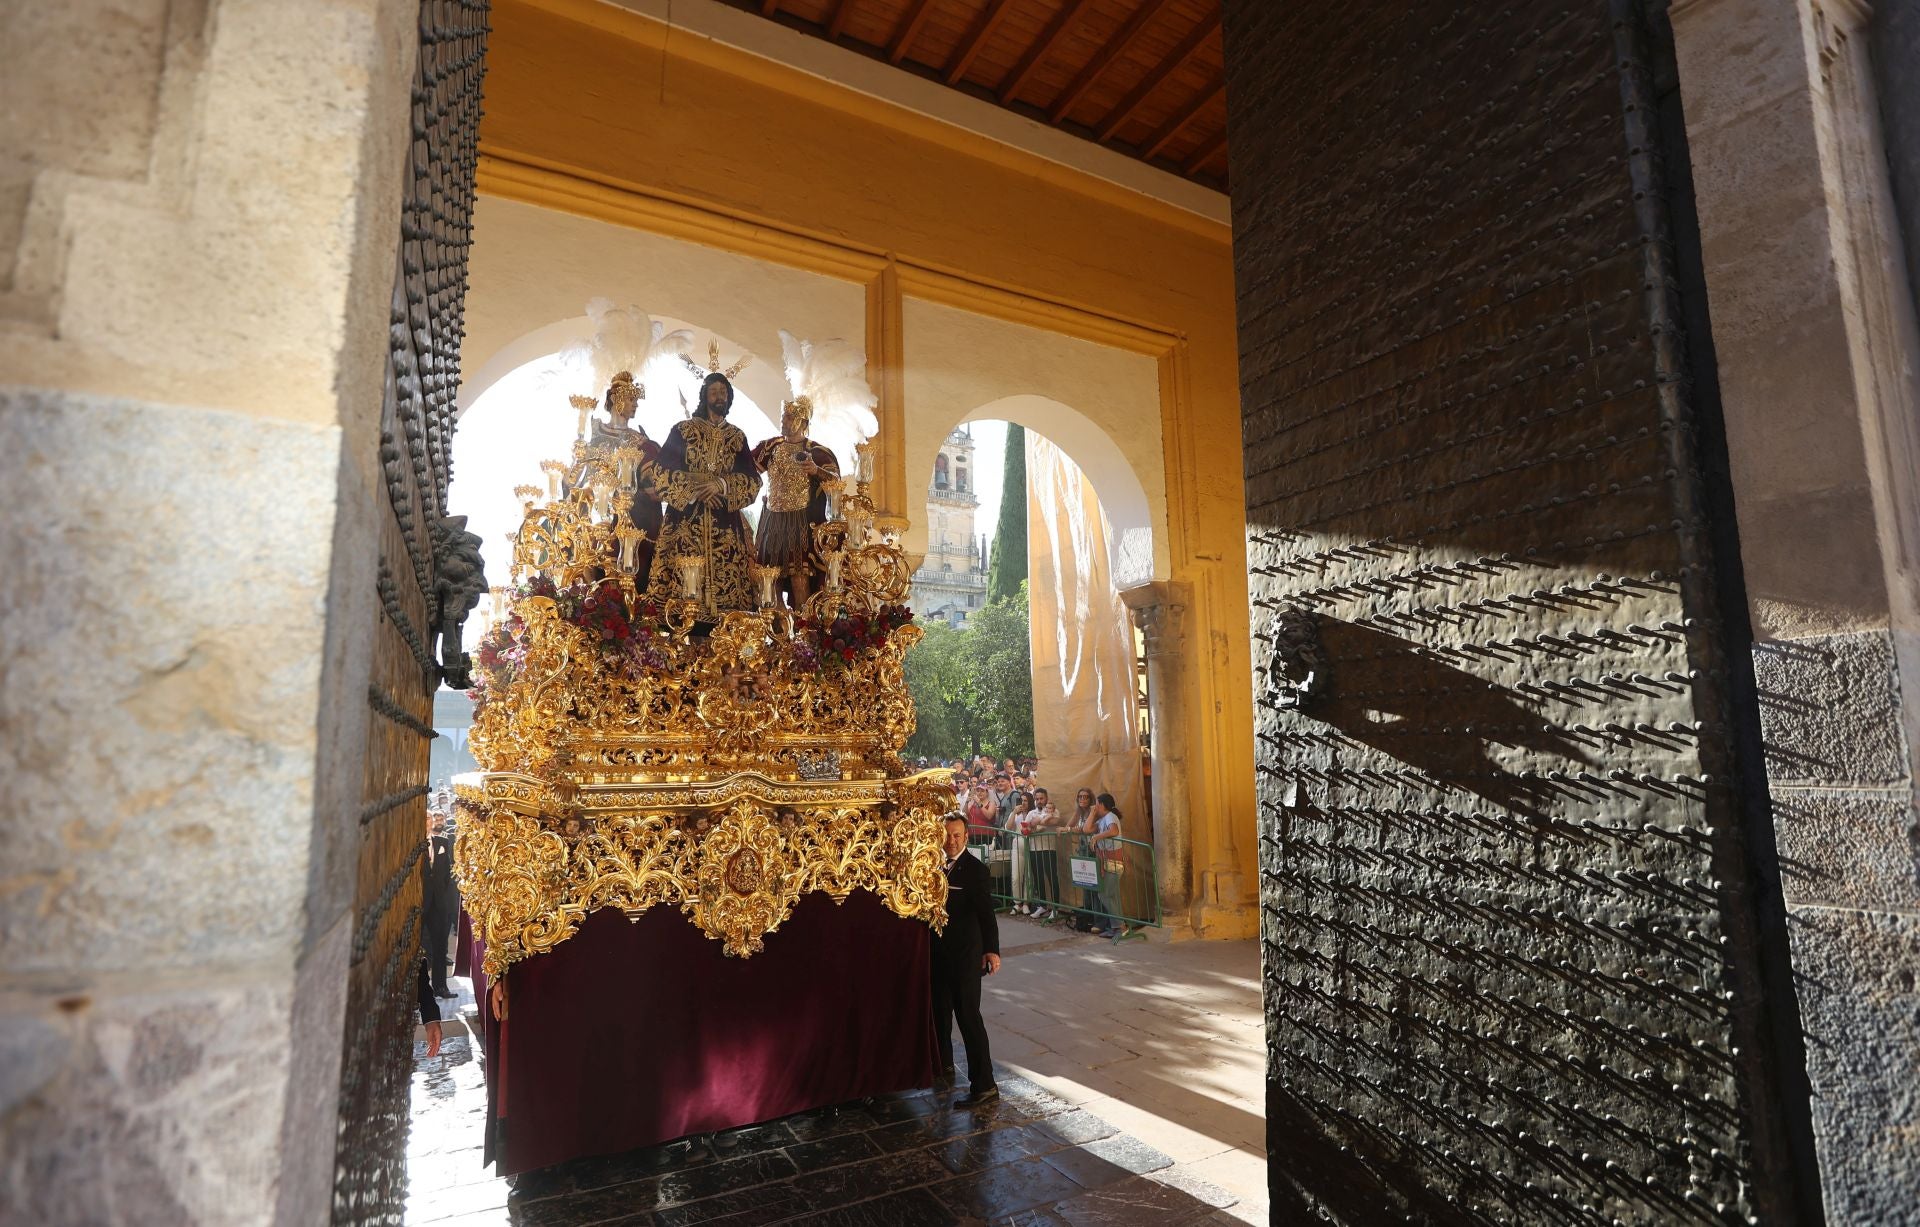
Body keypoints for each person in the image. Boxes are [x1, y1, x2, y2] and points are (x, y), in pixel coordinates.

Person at [648, 372, 761, 616]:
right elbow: (660, 471)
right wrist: (695, 489)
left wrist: (721, 484)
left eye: (724, 392)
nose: (719, 396)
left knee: (728, 608)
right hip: (685, 524)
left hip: (725, 526)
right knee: (682, 600)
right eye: (714, 392)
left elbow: (753, 481)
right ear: (704, 396)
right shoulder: (683, 430)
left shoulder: (737, 437)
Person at [930, 812, 1000, 1106]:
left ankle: (984, 1085)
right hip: (939, 956)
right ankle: (943, 1066)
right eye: (947, 835)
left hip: (965, 958)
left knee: (969, 1018)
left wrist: (992, 950)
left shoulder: (975, 870)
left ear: (966, 837)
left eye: (957, 835)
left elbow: (986, 914)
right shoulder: (931, 866)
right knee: (939, 1014)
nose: (951, 841)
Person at [750, 395, 839, 605]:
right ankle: (776, 624)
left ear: (803, 423)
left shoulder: (816, 451)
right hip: (772, 519)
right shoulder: (770, 447)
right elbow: (746, 470)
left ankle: (802, 624)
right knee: (771, 579)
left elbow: (836, 481)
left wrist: (816, 471)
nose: (784, 420)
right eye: (784, 416)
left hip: (800, 520)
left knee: (799, 578)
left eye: (790, 417)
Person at [421, 808, 458, 998]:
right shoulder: (411, 846)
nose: (427, 821)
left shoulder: (442, 842)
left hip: (438, 902)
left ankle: (441, 987)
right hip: (418, 903)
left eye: (428, 818)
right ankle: (419, 991)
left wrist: (442, 896)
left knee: (440, 944)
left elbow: (446, 875)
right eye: (424, 818)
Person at [1083, 793, 1125, 940]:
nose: (1094, 806)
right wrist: (1092, 813)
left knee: (1105, 894)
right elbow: (1086, 829)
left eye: (1096, 804)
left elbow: (1114, 831)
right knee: (1112, 895)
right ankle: (1116, 927)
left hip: (1113, 862)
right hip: (1107, 862)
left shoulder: (1110, 816)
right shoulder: (1102, 820)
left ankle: (1120, 927)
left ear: (1101, 804)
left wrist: (1096, 837)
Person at [1026, 787, 1063, 920]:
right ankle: (1042, 906)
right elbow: (1027, 827)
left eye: (1041, 798)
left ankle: (1055, 908)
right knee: (1038, 878)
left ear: (1046, 798)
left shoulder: (1053, 810)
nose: (1039, 801)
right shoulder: (1031, 812)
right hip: (1034, 848)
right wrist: (1039, 823)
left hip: (1048, 848)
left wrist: (1036, 823)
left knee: (1052, 878)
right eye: (1037, 799)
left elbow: (1054, 821)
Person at [1007, 791, 1034, 914]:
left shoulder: (1032, 813)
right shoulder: (1016, 814)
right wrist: (1013, 812)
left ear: (1030, 802)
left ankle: (1026, 903)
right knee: (1016, 876)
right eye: (1021, 800)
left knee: (1028, 876)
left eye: (1025, 800)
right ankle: (1017, 903)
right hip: (1017, 844)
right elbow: (1008, 827)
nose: (1023, 803)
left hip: (1030, 845)